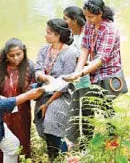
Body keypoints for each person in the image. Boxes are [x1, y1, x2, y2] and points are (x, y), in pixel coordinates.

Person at [64, 0, 123, 146]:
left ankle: (114, 140)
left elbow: (101, 58)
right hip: (93, 73)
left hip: (108, 73)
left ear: (100, 14)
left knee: (107, 108)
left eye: (91, 17)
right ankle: (87, 142)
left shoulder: (109, 30)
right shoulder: (90, 26)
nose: (88, 20)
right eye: (86, 16)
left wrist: (81, 73)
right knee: (87, 106)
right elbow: (85, 49)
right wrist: (77, 71)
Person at [34, 19, 78, 160]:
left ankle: (58, 158)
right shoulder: (44, 49)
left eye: (49, 33)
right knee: (42, 126)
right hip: (44, 91)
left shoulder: (70, 53)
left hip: (61, 94)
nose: (45, 35)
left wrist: (47, 104)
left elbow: (66, 82)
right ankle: (60, 154)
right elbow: (37, 70)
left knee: (51, 122)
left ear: (58, 35)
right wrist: (45, 78)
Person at [0, 38, 36, 163]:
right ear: (5, 55)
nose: (15, 58)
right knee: (2, 141)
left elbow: (34, 88)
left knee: (22, 138)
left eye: (19, 54)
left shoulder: (29, 66)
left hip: (22, 112)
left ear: (24, 52)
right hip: (1, 112)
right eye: (11, 55)